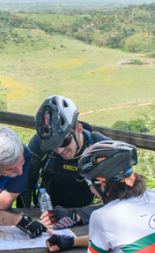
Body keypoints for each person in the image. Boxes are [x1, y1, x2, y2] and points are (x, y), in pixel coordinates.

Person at [18, 95, 110, 228]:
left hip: (91, 217)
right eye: (51, 145)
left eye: (64, 141)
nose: (59, 150)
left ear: (78, 129)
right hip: (48, 216)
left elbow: (120, 200)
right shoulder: (38, 144)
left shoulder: (100, 146)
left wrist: (76, 216)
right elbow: (25, 185)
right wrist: (25, 215)